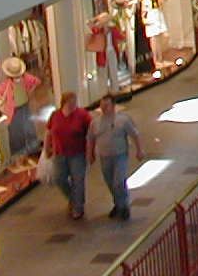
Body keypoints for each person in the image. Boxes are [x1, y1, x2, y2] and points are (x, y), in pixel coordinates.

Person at [87, 95, 143, 221]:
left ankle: (124, 206)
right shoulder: (95, 122)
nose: (103, 108)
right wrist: (90, 154)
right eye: (102, 105)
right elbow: (91, 138)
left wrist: (139, 150)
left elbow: (135, 134)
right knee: (110, 182)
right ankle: (118, 203)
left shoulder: (123, 120)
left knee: (118, 181)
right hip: (104, 157)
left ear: (113, 106)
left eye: (106, 105)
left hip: (120, 155)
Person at [46, 90, 91, 219]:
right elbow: (49, 132)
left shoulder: (82, 115)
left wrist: (90, 151)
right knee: (59, 178)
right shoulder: (55, 115)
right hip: (59, 153)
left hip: (78, 153)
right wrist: (47, 148)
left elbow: (91, 132)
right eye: (71, 102)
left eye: (75, 101)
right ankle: (74, 199)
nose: (73, 104)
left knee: (78, 180)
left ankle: (78, 207)